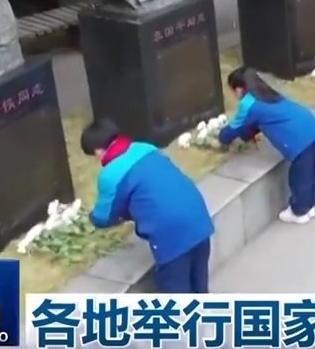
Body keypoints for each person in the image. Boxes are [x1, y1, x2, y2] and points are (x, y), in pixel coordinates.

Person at [80, 118, 214, 293]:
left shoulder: (111, 174)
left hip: (171, 234)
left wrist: (91, 217)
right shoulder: (146, 148)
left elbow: (104, 216)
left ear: (98, 150)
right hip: (199, 219)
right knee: (200, 287)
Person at [217, 67, 315, 225]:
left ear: (238, 89)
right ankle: (310, 206)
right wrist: (247, 136)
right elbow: (256, 123)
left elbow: (234, 128)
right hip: (311, 127)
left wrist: (222, 139)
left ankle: (299, 211)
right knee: (313, 171)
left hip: (297, 139)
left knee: (300, 176)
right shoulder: (268, 93)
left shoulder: (248, 104)